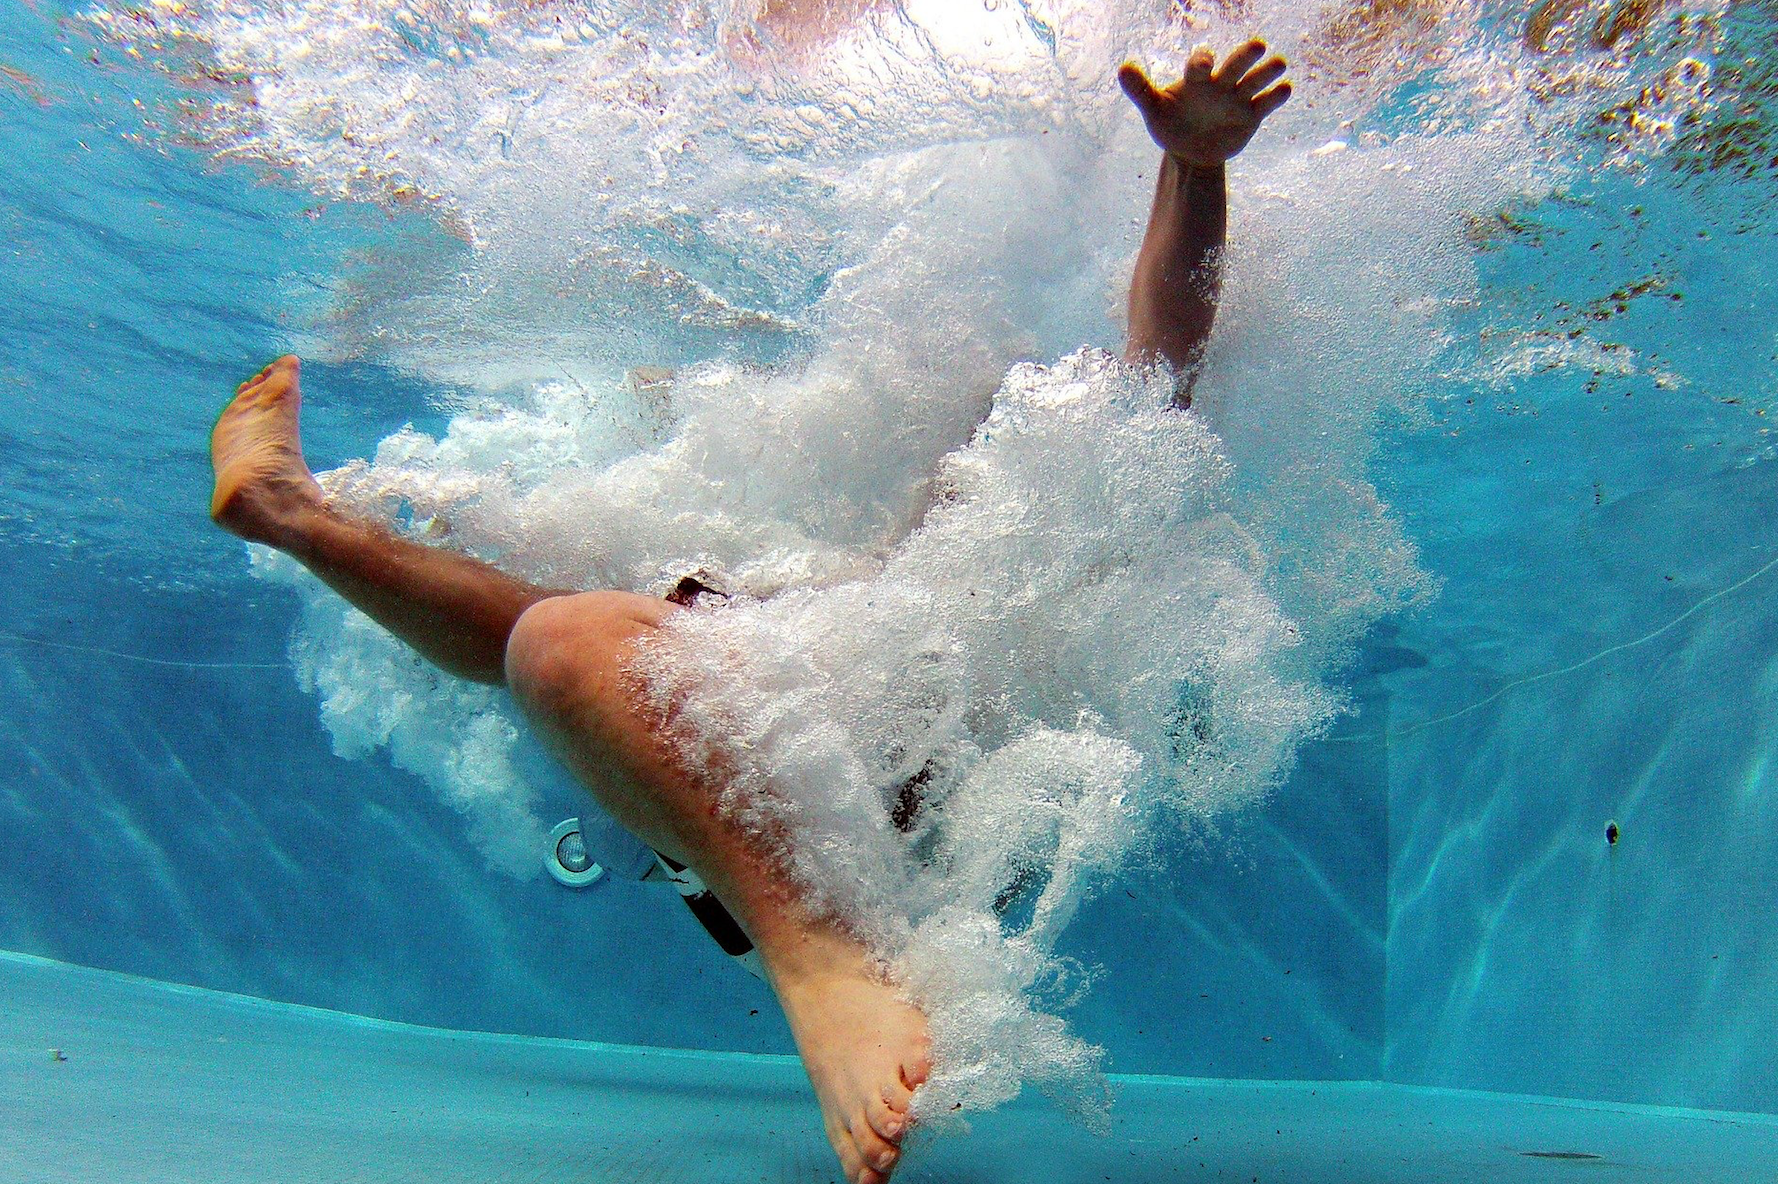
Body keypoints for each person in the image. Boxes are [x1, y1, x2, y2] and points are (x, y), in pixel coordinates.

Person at [208, 42, 1291, 1184]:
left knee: (555, 638)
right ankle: (290, 515)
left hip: (817, 828)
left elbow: (1161, 360)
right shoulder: (883, 605)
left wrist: (1192, 170)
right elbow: (1150, 372)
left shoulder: (1029, 572)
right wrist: (1189, 166)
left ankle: (294, 516)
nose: (975, 457)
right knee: (555, 634)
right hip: (771, 792)